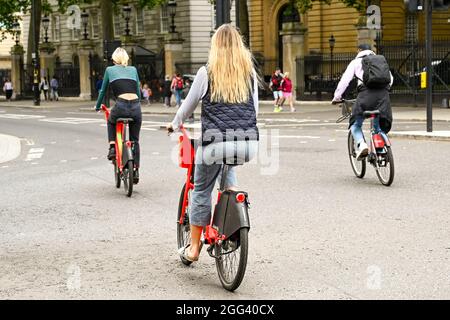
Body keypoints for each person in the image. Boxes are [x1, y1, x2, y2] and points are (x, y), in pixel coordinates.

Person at [167, 24, 259, 263]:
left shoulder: (206, 72)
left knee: (201, 190)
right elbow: (255, 111)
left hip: (215, 144)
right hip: (248, 143)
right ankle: (231, 225)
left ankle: (194, 248)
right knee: (228, 182)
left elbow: (187, 107)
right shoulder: (249, 74)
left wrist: (174, 124)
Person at [332, 43, 393, 160]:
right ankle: (381, 148)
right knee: (378, 127)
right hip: (383, 96)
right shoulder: (380, 61)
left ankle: (362, 144)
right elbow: (390, 79)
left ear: (359, 50)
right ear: (371, 50)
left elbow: (344, 81)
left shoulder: (356, 62)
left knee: (355, 125)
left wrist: (337, 97)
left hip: (365, 96)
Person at [95, 47, 142, 184]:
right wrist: (137, 103)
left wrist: (98, 106)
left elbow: (103, 91)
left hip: (120, 106)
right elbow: (138, 91)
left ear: (114, 59)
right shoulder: (133, 70)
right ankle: (136, 169)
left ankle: (112, 148)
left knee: (111, 121)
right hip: (136, 106)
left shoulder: (109, 70)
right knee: (135, 140)